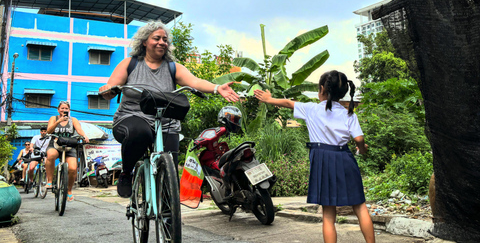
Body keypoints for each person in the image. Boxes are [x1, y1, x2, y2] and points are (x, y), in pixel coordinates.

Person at [99, 20, 239, 198]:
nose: (162, 42)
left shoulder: (173, 68)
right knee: (140, 133)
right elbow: (112, 87)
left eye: (165, 39)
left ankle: (167, 215)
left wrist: (216, 88)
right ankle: (127, 173)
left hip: (166, 124)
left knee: (169, 174)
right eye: (156, 38)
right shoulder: (130, 64)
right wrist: (107, 90)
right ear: (144, 42)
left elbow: (195, 82)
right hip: (132, 118)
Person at [254, 70, 375, 243]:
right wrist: (362, 148)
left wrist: (268, 99)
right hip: (345, 159)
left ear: (321, 89)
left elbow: (288, 103)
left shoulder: (311, 109)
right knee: (360, 207)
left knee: (328, 214)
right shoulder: (349, 114)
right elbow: (359, 138)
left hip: (323, 161)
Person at [45, 101, 89, 202]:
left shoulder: (73, 120)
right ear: (58, 109)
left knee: (73, 168)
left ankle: (69, 190)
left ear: (69, 110)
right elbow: (48, 131)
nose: (64, 110)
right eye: (62, 108)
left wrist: (84, 136)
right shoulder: (53, 118)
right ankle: (50, 181)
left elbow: (79, 130)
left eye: (66, 109)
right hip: (55, 144)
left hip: (69, 145)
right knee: (51, 155)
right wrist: (58, 121)